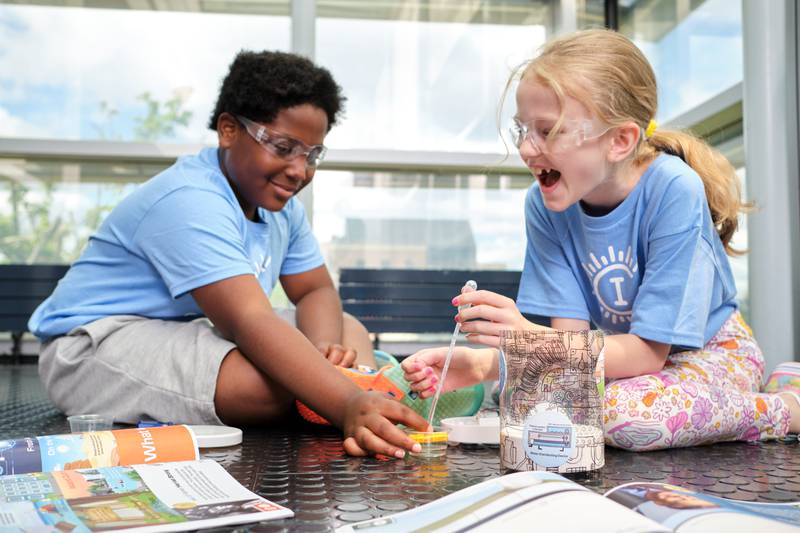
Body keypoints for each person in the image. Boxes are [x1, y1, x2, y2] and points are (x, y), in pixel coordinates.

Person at [402, 29, 800, 451]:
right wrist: (482, 364)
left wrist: (525, 341)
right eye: (522, 129)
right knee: (542, 407)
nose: (524, 148)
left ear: (620, 141)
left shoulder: (673, 189)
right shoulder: (544, 206)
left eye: (547, 130)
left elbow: (648, 354)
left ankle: (786, 405)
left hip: (710, 354)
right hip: (625, 364)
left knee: (627, 417)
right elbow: (570, 347)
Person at [29, 50, 428, 459]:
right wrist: (343, 401)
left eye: (312, 155)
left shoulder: (282, 208)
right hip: (92, 345)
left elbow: (314, 291)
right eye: (284, 146)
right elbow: (249, 321)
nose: (299, 170)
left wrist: (326, 348)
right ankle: (359, 398)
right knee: (266, 389)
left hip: (183, 330)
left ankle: (350, 395)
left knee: (347, 330)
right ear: (228, 131)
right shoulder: (191, 199)